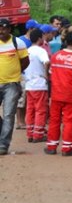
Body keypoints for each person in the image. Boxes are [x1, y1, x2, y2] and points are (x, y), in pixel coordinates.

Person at [44, 31, 72, 157]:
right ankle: (67, 148)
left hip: (56, 94)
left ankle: (51, 146)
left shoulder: (55, 56)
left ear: (65, 42)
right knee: (69, 121)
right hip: (71, 94)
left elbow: (50, 73)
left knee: (54, 120)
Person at [0, 18, 30, 155]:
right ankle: (2, 131)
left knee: (8, 115)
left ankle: (3, 145)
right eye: (0, 28)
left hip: (11, 84)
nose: (1, 31)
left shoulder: (17, 43)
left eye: (4, 28)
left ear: (9, 29)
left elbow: (25, 61)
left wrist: (15, 74)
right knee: (6, 117)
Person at [23, 28, 50, 143]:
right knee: (40, 110)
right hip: (39, 84)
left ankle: (30, 132)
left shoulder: (27, 50)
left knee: (30, 109)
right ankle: (38, 134)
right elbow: (47, 62)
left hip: (29, 84)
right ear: (40, 38)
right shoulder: (41, 51)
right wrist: (45, 74)